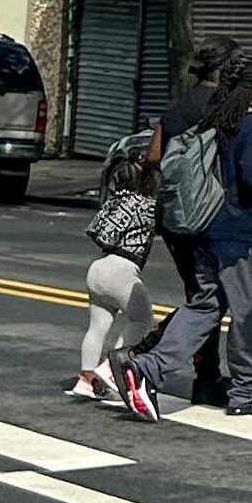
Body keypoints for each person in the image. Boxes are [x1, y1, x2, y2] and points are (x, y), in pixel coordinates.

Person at [114, 47, 252, 421]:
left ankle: (147, 367)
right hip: (244, 235)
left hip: (206, 227)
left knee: (205, 306)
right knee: (250, 313)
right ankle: (249, 390)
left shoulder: (218, 119)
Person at [141, 40, 240, 405]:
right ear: (227, 70)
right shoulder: (222, 107)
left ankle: (207, 377)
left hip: (174, 217)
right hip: (208, 217)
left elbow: (153, 156)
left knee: (200, 296)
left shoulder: (179, 105)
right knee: (209, 300)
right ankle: (143, 356)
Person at [68, 138, 161, 404]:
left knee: (97, 327)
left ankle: (86, 380)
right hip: (122, 269)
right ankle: (110, 368)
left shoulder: (114, 202)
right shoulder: (148, 205)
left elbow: (96, 231)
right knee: (143, 321)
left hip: (98, 267)